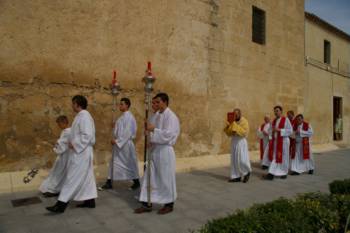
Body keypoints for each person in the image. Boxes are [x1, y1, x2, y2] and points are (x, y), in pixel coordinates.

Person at [46, 95, 97, 213]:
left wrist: (75, 144)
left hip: (81, 153)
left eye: (73, 103)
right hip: (82, 152)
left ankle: (61, 204)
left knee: (72, 178)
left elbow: (87, 135)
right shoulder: (81, 116)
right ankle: (90, 201)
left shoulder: (84, 116)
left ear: (77, 104)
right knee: (86, 178)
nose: (72, 106)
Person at [134, 92, 180, 215]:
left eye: (157, 102)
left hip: (165, 151)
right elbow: (153, 132)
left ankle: (169, 204)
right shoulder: (156, 116)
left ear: (165, 102)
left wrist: (153, 129)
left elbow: (169, 134)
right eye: (153, 102)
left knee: (165, 178)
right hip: (155, 151)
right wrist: (150, 139)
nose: (154, 104)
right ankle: (147, 202)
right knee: (149, 177)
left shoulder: (171, 116)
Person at [100, 98, 140, 190]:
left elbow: (128, 132)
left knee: (129, 163)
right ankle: (109, 182)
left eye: (122, 104)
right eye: (119, 104)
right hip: (119, 145)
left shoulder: (130, 117)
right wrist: (115, 126)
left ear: (127, 105)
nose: (120, 106)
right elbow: (117, 131)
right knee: (113, 162)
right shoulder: (121, 117)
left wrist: (117, 141)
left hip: (125, 145)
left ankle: (136, 182)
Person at [39, 115, 71, 197]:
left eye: (59, 124)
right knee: (56, 172)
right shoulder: (65, 131)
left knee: (58, 173)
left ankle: (53, 190)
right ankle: (52, 188)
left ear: (63, 123)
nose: (58, 126)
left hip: (65, 156)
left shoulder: (68, 132)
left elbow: (62, 144)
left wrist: (56, 144)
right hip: (63, 156)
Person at [264, 106, 293, 180]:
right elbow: (270, 131)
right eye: (275, 111)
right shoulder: (273, 121)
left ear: (281, 111)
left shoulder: (285, 120)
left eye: (277, 111)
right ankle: (271, 173)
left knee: (284, 157)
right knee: (275, 157)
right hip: (276, 142)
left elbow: (290, 131)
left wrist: (279, 130)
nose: (275, 112)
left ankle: (284, 172)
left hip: (284, 141)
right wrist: (271, 131)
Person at [224, 108, 251, 183]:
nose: (235, 116)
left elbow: (244, 132)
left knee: (242, 159)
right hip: (234, 141)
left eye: (236, 114)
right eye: (234, 114)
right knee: (234, 160)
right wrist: (228, 126)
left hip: (241, 141)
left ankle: (246, 172)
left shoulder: (244, 121)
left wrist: (234, 124)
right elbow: (228, 133)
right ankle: (236, 176)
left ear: (240, 114)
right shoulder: (232, 121)